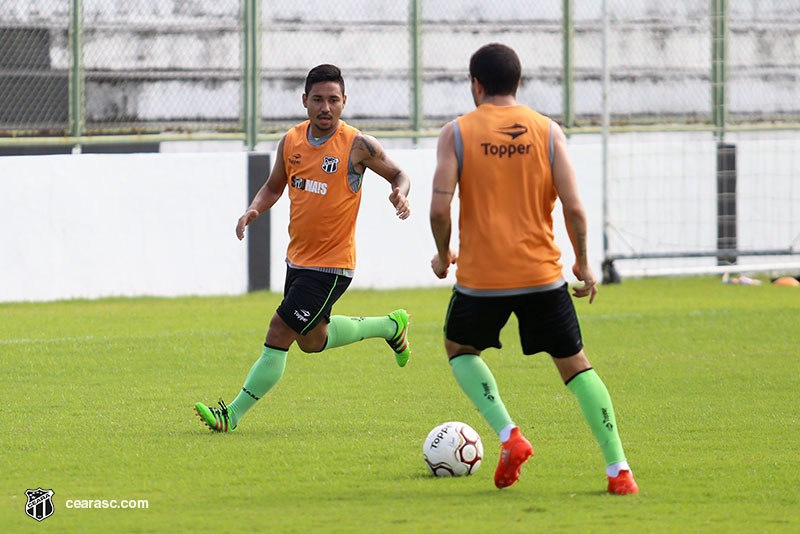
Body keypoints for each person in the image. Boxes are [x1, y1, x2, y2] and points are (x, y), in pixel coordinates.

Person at [429, 44, 638, 494]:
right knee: (576, 367)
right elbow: (575, 208)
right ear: (518, 84)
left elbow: (438, 209)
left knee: (459, 346)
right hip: (542, 275)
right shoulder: (547, 132)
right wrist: (583, 262)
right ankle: (619, 470)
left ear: (476, 84)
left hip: (482, 279)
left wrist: (442, 254)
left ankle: (509, 435)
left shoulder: (457, 133)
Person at [195, 64, 412, 433]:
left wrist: (400, 193)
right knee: (312, 341)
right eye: (318, 99)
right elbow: (273, 186)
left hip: (332, 266)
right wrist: (253, 209)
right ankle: (390, 326)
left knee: (279, 330)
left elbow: (399, 174)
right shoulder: (291, 141)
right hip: (297, 260)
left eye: (333, 99)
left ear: (344, 102)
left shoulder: (358, 145)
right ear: (304, 101)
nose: (325, 107)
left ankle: (231, 414)